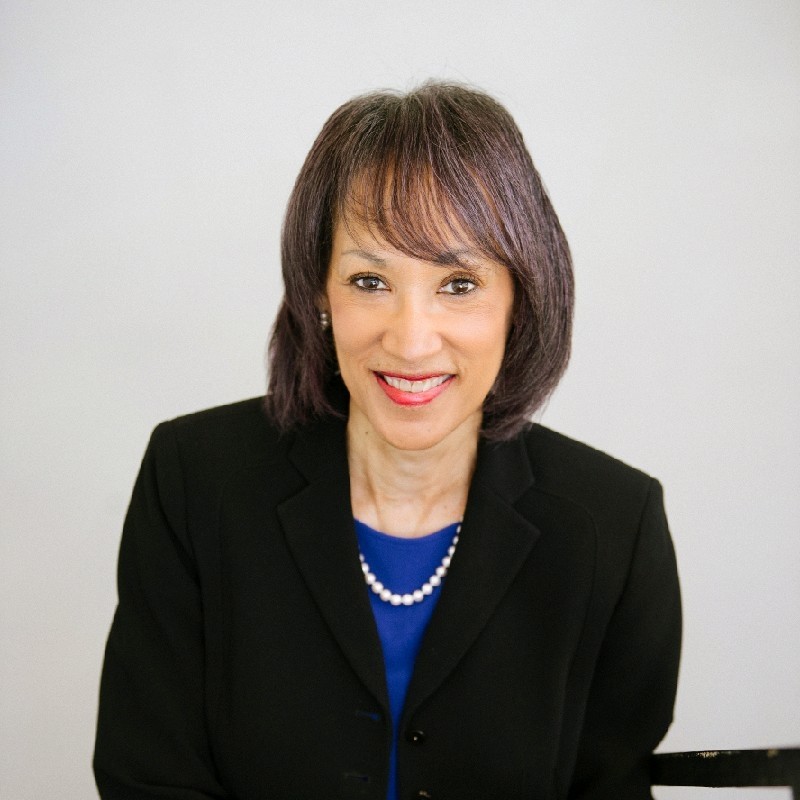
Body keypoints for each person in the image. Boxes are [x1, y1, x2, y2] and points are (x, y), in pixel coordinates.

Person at [94, 82, 681, 800]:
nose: (409, 340)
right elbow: (148, 777)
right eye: (370, 280)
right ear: (320, 290)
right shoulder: (194, 479)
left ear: (520, 298)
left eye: (458, 284)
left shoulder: (613, 527)